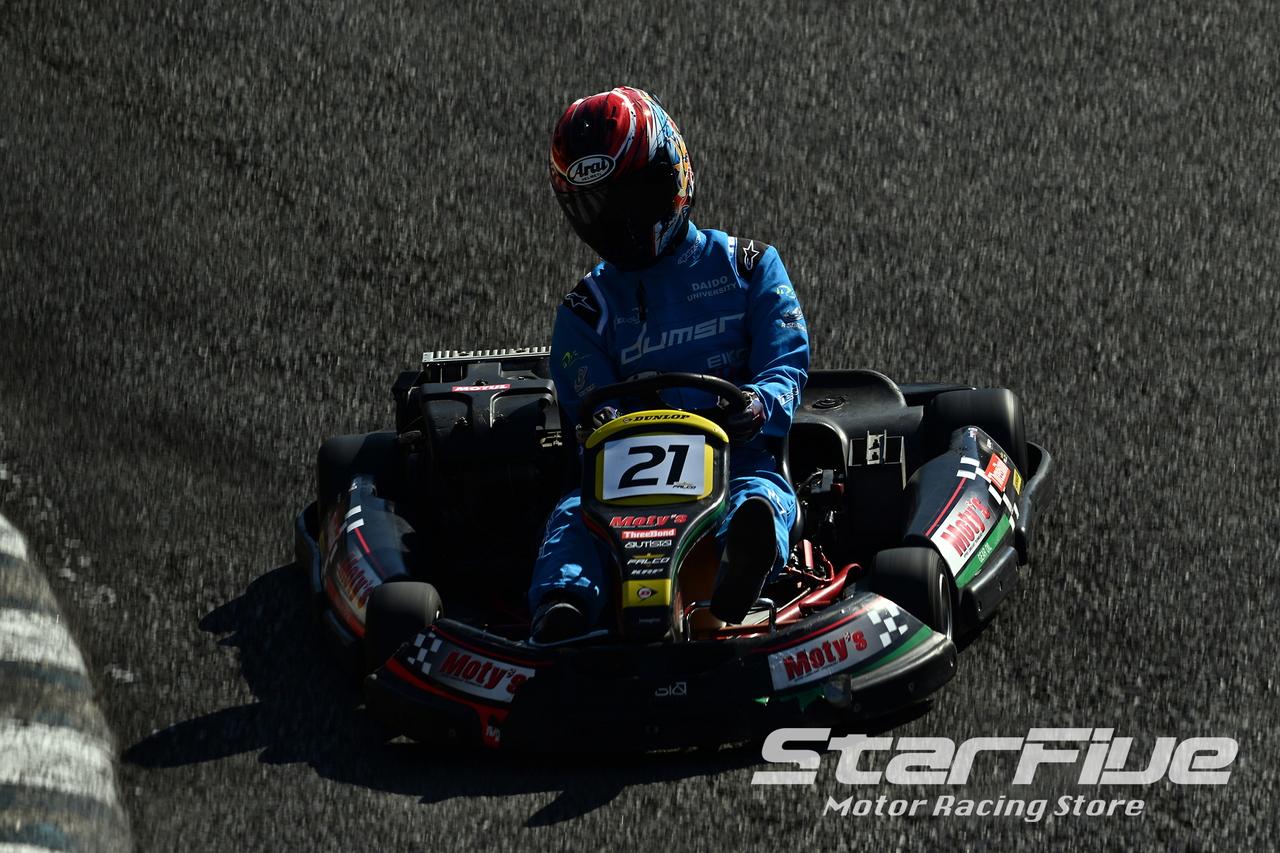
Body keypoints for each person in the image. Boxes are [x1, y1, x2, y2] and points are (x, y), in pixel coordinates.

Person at [529, 86, 809, 643]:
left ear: (672, 176)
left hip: (733, 458)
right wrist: (608, 423)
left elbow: (786, 366)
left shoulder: (748, 267)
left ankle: (743, 562)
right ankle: (565, 610)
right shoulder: (586, 311)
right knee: (576, 516)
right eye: (603, 208)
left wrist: (758, 405)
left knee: (760, 496)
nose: (623, 224)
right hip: (625, 479)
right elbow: (588, 404)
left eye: (635, 201)